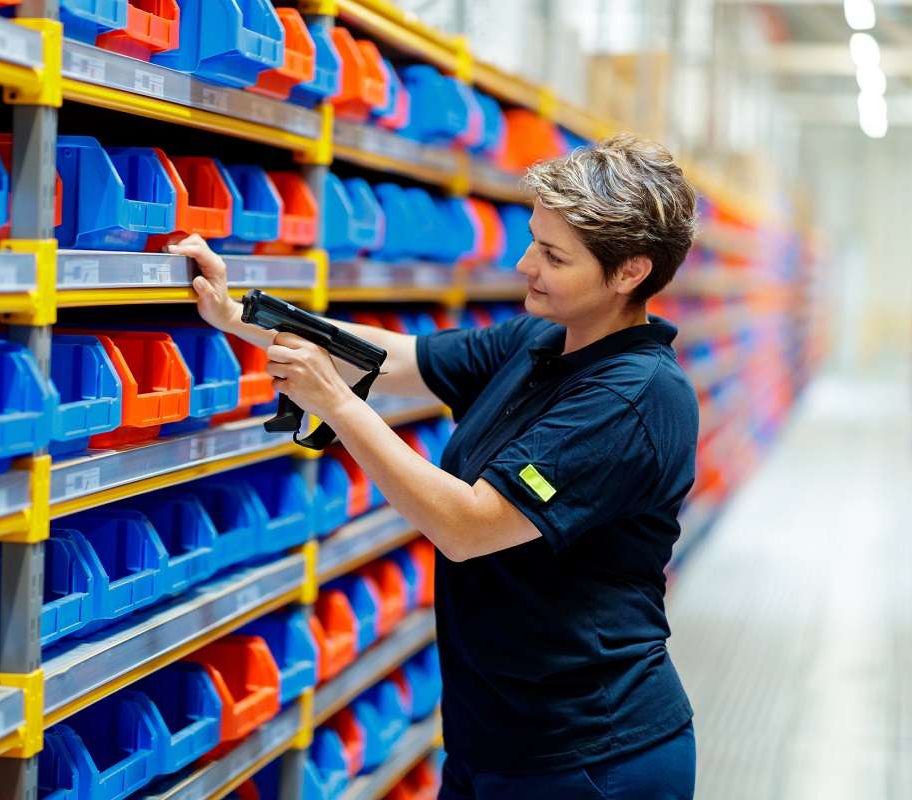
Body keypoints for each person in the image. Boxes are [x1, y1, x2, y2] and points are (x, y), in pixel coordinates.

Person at [175, 134, 700, 799]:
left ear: (630, 272)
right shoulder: (542, 342)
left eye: (553, 255)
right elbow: (392, 358)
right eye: (534, 240)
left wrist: (335, 405)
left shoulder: (634, 398)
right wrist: (241, 314)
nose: (525, 263)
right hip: (496, 735)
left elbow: (468, 525)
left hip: (590, 757)